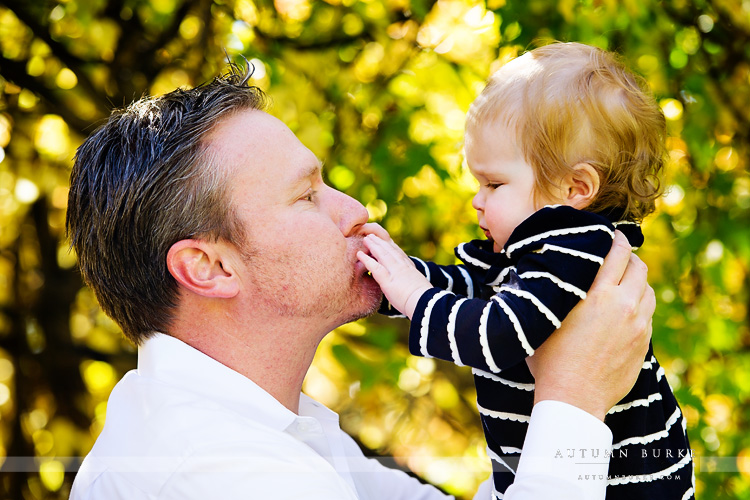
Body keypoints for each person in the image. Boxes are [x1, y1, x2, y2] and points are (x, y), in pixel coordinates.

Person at [67, 62, 655, 500]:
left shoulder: (279, 432)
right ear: (211, 267)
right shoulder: (220, 474)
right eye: (306, 196)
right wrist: (575, 399)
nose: (353, 210)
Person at [358, 42, 693, 500]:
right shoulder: (533, 256)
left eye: (494, 184)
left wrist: (415, 296)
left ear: (576, 187)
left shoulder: (577, 251)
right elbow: (472, 291)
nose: (477, 199)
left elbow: (498, 336)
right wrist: (386, 280)